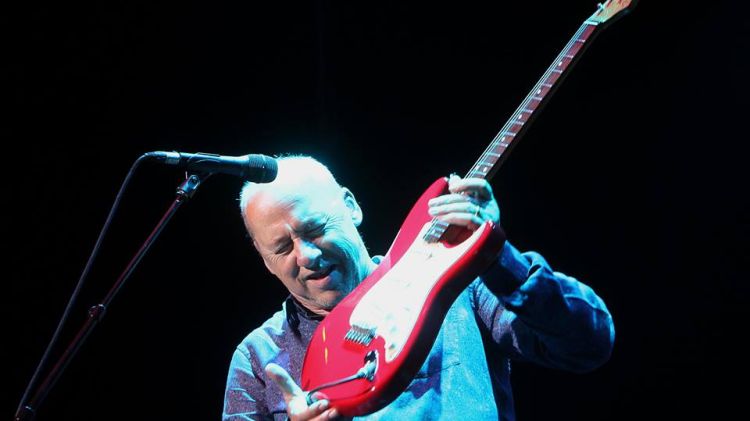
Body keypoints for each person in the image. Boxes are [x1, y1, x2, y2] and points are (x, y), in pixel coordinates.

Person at [222, 156, 614, 420]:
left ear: (351, 206)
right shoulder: (260, 357)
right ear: (263, 260)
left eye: (316, 229)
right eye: (282, 247)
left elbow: (587, 343)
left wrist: (498, 256)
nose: (305, 255)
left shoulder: (459, 288)